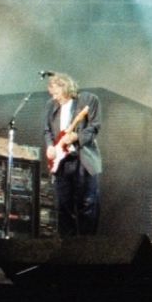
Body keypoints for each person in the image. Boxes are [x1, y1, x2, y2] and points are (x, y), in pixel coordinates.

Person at [42, 72, 101, 236]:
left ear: (65, 87)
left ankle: (87, 250)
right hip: (62, 162)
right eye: (52, 94)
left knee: (87, 205)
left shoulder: (87, 100)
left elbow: (95, 127)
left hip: (83, 159)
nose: (55, 98)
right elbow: (47, 130)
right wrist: (49, 147)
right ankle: (67, 250)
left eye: (56, 94)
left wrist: (77, 137)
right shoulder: (50, 106)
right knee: (63, 207)